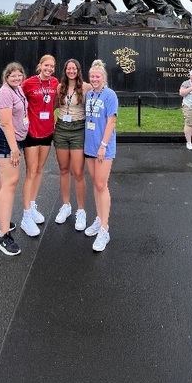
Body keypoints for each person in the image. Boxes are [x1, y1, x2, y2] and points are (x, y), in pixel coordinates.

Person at [0, 62, 29, 256]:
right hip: (6, 142)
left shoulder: (17, 90)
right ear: (6, 76)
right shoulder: (5, 93)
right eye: (13, 75)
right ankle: (3, 236)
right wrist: (14, 149)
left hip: (10, 141)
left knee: (1, 181)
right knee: (10, 184)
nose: (17, 78)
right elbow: (5, 122)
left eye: (19, 75)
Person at [20, 54, 59, 237]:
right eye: (46, 65)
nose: (49, 68)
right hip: (31, 132)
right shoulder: (29, 83)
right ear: (40, 66)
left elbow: (56, 102)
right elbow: (18, 100)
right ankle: (26, 214)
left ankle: (33, 204)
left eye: (52, 66)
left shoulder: (54, 83)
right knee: (31, 171)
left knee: (40, 169)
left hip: (47, 131)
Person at [83, 58, 118, 251]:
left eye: (97, 77)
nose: (94, 79)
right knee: (95, 184)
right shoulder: (89, 95)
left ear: (103, 78)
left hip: (103, 147)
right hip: (90, 146)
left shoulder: (110, 95)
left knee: (101, 184)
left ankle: (105, 229)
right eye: (92, 77)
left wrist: (103, 145)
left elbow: (111, 122)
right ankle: (98, 218)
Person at [53, 58, 92, 230]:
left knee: (78, 172)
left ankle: (81, 211)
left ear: (78, 70)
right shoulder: (59, 87)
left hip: (78, 129)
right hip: (61, 128)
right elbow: (51, 106)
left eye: (74, 68)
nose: (71, 71)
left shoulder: (86, 87)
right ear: (65, 71)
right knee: (63, 169)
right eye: (68, 68)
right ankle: (66, 205)